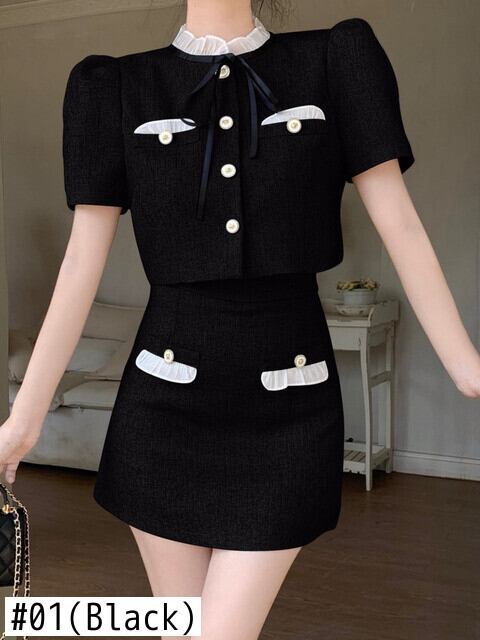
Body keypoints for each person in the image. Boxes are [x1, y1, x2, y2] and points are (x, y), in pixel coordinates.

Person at [2, 1, 479, 639]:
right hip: (162, 410)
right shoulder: (113, 85)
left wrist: (468, 370)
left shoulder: (335, 60)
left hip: (290, 407)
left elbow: (403, 225)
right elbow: (80, 261)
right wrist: (24, 421)